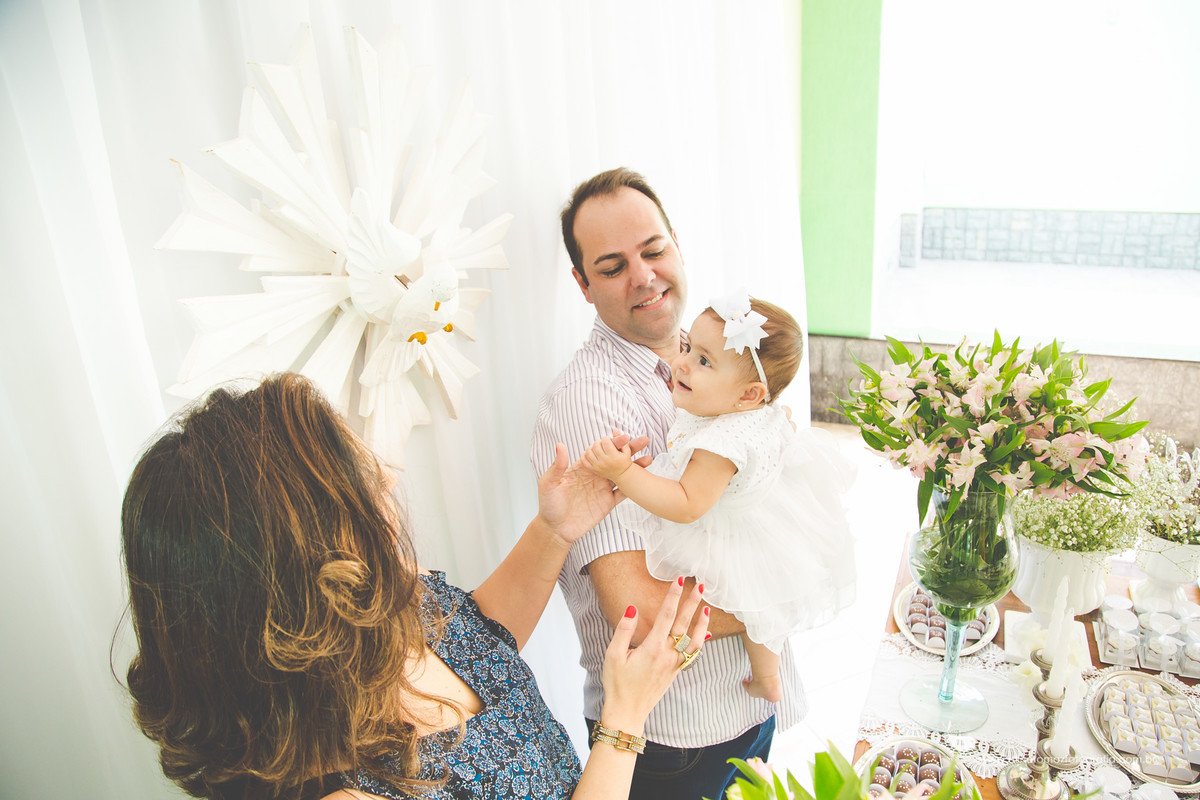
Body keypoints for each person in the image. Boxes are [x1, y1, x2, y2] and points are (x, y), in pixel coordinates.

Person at [119, 372, 710, 800]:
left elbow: (480, 641)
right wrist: (624, 719)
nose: (393, 477)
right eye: (365, 483)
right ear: (307, 566)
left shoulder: (389, 606)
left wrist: (553, 530)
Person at [530, 168, 804, 800]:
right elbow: (644, 611)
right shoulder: (590, 400)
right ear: (583, 284)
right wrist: (785, 590)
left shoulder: (721, 359)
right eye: (613, 265)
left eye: (653, 251)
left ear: (677, 245)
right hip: (676, 735)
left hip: (745, 704)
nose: (645, 276)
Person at [581, 294, 857, 704]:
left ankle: (767, 679)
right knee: (765, 609)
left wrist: (624, 473)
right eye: (690, 347)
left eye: (704, 362)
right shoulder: (755, 409)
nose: (683, 363)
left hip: (738, 530)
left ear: (747, 396)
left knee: (757, 602)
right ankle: (768, 678)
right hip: (765, 509)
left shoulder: (720, 442)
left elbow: (686, 503)